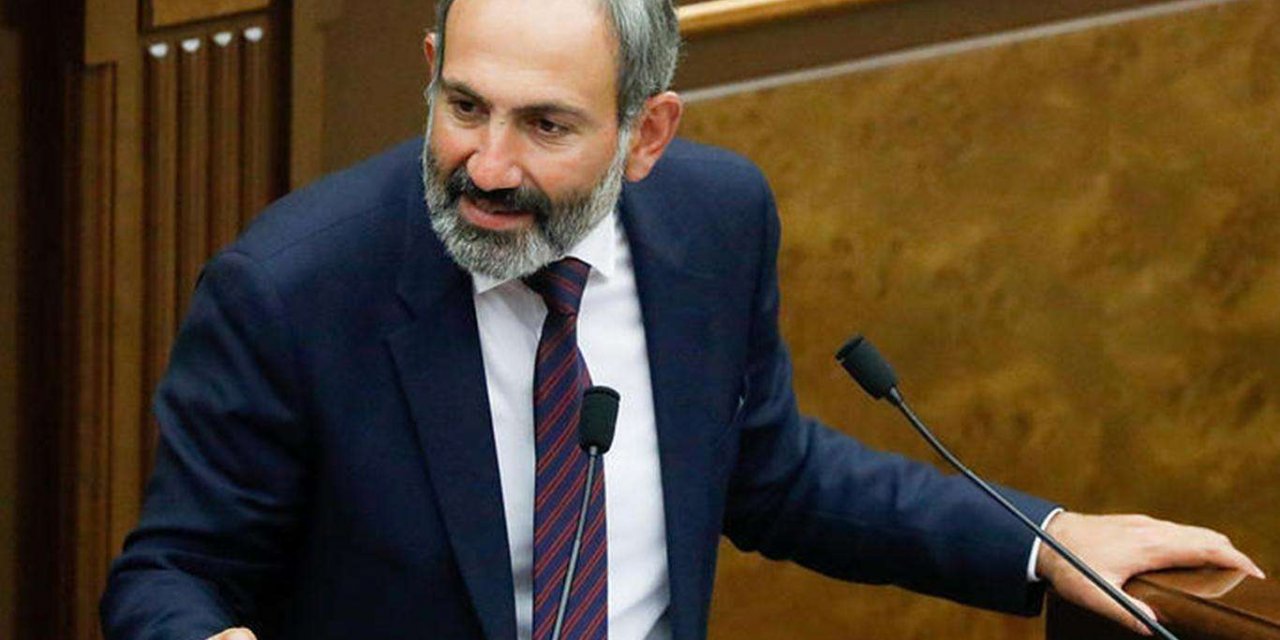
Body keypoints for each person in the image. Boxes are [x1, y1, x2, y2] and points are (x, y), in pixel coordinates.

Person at [100, 0, 1264, 639]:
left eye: (544, 125)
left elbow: (773, 475)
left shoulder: (715, 220)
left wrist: (1043, 537)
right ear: (431, 67)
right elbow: (169, 574)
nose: (486, 167)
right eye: (462, 105)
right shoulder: (293, 289)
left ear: (646, 134)